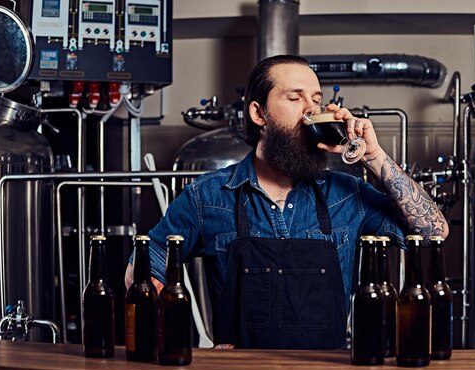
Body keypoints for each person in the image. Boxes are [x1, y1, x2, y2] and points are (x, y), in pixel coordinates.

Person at [125, 54, 448, 350]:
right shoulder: (206, 196)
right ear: (258, 113)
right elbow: (141, 275)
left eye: (317, 99)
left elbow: (433, 232)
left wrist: (375, 157)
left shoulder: (347, 194)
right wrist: (183, 346)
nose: (311, 108)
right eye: (295, 98)